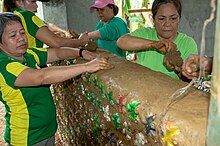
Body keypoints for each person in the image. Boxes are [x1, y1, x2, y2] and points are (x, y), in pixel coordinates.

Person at [0, 12, 111, 146]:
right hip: (26, 138)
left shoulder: (29, 54)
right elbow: (41, 77)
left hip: (47, 131)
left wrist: (81, 52)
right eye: (13, 35)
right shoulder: (4, 65)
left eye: (22, 33)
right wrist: (86, 67)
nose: (21, 38)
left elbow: (57, 53)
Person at [117, 0, 198, 80]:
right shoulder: (145, 34)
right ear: (153, 20)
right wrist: (154, 45)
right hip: (143, 88)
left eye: (173, 18)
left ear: (179, 19)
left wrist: (177, 68)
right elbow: (121, 42)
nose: (167, 24)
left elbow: (190, 80)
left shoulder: (188, 43)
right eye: (161, 19)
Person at [3, 0, 90, 48]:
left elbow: (47, 26)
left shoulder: (13, 16)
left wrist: (64, 31)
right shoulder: (27, 15)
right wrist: (81, 41)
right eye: (33, 2)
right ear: (19, 2)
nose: (37, 6)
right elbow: (55, 42)